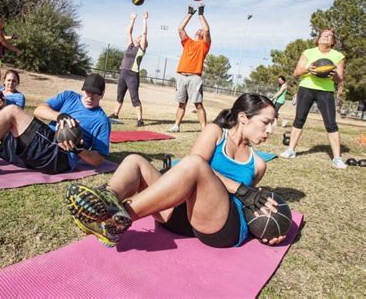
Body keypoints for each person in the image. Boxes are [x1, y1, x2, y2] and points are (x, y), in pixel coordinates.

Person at [67, 93, 286, 249]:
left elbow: (248, 204)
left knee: (194, 165)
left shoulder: (258, 164)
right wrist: (241, 189)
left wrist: (267, 229)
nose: (270, 130)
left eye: (272, 124)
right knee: (135, 160)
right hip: (181, 218)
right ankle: (106, 198)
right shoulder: (215, 133)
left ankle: (115, 220)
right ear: (243, 117)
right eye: (266, 122)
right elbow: (195, 168)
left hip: (220, 226)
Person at [280, 29, 347, 169]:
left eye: (330, 36)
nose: (326, 37)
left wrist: (333, 74)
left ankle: (337, 158)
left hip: (326, 91)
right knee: (299, 119)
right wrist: (308, 69)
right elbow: (296, 73)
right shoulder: (308, 52)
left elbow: (340, 79)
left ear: (333, 41)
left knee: (331, 124)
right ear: (318, 38)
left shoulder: (338, 56)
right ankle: (291, 150)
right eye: (324, 35)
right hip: (306, 88)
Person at [167, 4, 211, 132]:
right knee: (181, 104)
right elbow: (180, 28)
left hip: (195, 78)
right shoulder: (188, 42)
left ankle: (204, 130)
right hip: (182, 76)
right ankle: (176, 126)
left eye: (201, 30)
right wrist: (190, 13)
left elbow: (207, 30)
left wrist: (201, 14)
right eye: (199, 29)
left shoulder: (204, 45)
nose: (200, 30)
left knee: (198, 104)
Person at [108, 12, 148, 127]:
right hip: (123, 73)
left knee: (134, 98)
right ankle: (115, 114)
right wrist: (132, 19)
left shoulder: (141, 49)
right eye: (139, 36)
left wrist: (145, 19)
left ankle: (140, 120)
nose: (138, 36)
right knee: (119, 95)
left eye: (140, 37)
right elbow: (129, 32)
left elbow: (144, 33)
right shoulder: (130, 46)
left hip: (132, 75)